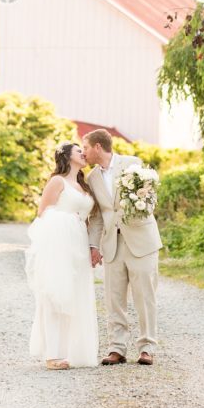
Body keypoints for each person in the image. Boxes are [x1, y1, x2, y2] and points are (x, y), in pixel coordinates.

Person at [82, 129, 162, 366]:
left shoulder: (133, 164)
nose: (84, 152)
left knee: (145, 296)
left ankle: (147, 347)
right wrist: (93, 245)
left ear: (98, 147)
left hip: (142, 241)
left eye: (85, 147)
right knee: (113, 298)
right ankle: (117, 348)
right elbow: (96, 216)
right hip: (112, 245)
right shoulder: (92, 178)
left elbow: (149, 197)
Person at [25, 142, 99, 369]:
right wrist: (69, 220)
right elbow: (43, 213)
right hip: (59, 243)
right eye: (79, 151)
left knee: (75, 295)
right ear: (67, 156)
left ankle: (71, 352)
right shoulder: (58, 181)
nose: (83, 154)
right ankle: (53, 355)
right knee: (56, 294)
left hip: (78, 243)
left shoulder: (83, 186)